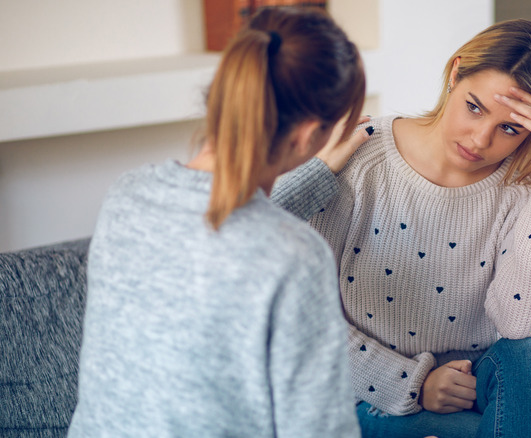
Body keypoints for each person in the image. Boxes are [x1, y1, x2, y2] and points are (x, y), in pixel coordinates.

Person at [272, 18, 531, 437]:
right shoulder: (360, 158)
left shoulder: (525, 190)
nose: (478, 140)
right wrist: (413, 383)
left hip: (475, 380)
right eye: (474, 107)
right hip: (364, 391)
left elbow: (519, 323)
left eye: (510, 128)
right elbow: (296, 309)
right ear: (456, 73)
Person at [67, 7, 368, 437]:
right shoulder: (294, 257)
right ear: (307, 135)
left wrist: (318, 172)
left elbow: (221, 232)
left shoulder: (126, 195)